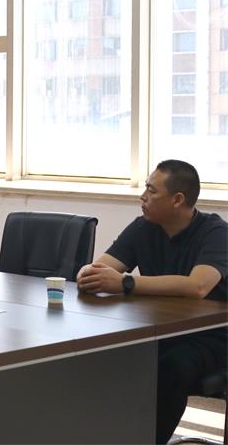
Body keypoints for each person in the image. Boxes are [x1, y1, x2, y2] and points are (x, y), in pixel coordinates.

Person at [76, 160, 227, 444]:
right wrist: (87, 274)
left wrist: (126, 283)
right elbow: (100, 269)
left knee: (170, 368)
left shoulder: (216, 233)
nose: (142, 196)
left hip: (210, 336)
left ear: (177, 199)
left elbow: (198, 286)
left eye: (151, 191)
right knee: (107, 357)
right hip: (158, 330)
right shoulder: (143, 227)